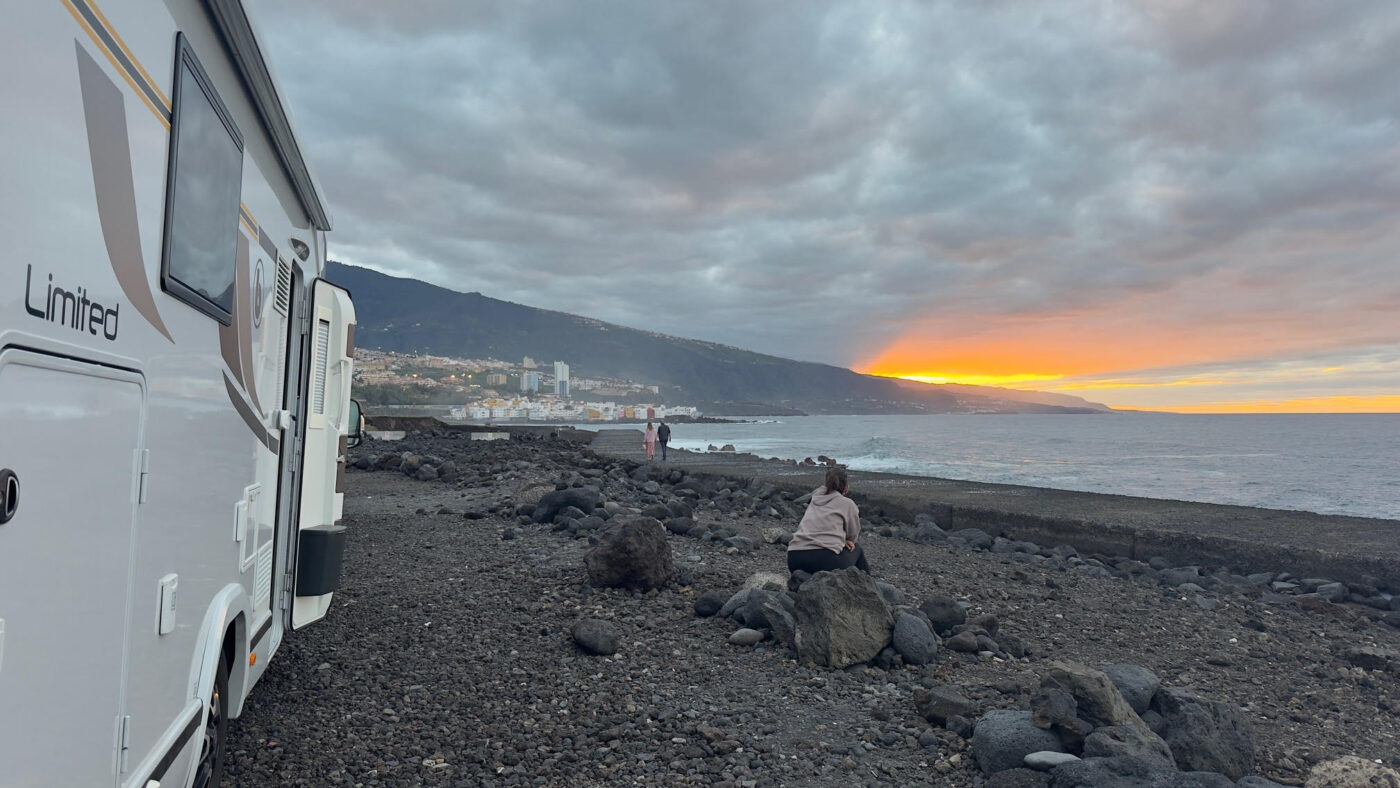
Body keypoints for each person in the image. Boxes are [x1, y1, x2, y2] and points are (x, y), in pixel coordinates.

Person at [787, 466, 870, 574]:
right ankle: (867, 588)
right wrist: (844, 540)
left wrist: (840, 540)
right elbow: (853, 535)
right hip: (824, 559)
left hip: (794, 558)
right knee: (857, 550)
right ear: (846, 487)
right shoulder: (847, 503)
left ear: (826, 484)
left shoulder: (815, 498)